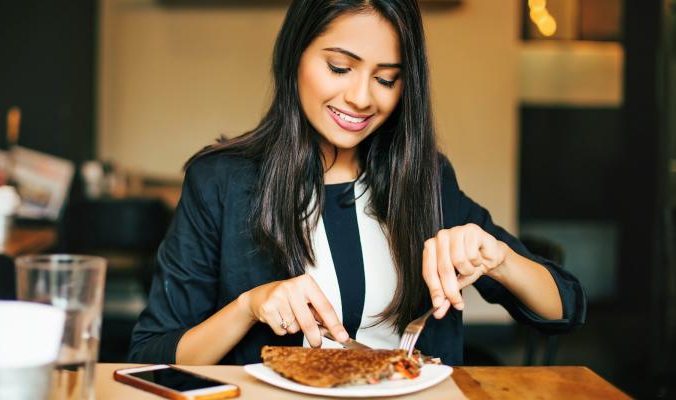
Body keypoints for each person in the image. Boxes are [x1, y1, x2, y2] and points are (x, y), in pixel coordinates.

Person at [128, 0, 586, 366]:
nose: (362, 97)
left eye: (386, 78)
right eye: (340, 68)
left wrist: (499, 257)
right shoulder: (221, 183)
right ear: (295, 57)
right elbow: (151, 356)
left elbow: (563, 309)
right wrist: (247, 306)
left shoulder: (423, 178)